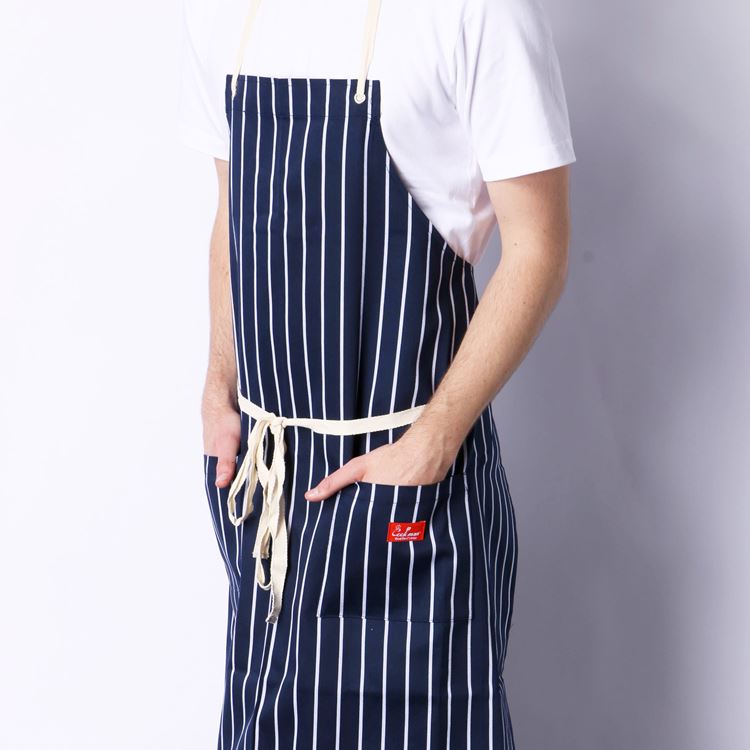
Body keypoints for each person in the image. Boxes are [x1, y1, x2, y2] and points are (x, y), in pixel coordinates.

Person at [177, 0, 575, 746]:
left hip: (410, 482)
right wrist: (217, 388)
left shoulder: (478, 13)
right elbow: (234, 213)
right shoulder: (225, 12)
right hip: (270, 487)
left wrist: (432, 440)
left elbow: (539, 249)